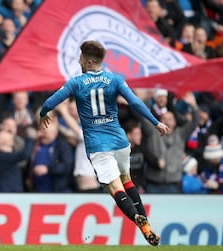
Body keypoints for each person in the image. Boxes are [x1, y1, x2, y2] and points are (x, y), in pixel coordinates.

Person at [39, 40, 169, 246]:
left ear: (89, 61)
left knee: (114, 187)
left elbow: (49, 102)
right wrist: (156, 122)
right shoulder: (115, 79)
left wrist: (43, 113)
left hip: (98, 145)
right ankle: (147, 227)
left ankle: (136, 217)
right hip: (119, 140)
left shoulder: (76, 83)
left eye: (81, 57)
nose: (79, 59)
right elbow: (135, 102)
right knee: (127, 180)